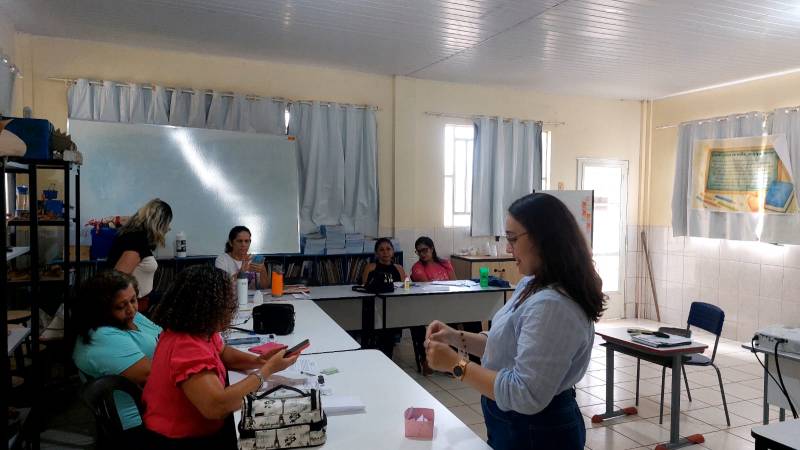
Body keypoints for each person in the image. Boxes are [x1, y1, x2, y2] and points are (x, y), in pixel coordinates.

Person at [424, 193, 606, 450]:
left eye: (513, 239)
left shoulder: (553, 306)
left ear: (543, 238)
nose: (509, 249)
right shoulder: (532, 283)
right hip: (515, 422)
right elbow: (505, 343)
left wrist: (456, 365)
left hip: (538, 430)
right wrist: (454, 337)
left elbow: (525, 394)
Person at [142, 265, 298, 449]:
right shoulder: (185, 346)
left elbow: (223, 353)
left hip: (200, 429)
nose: (231, 309)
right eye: (226, 303)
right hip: (180, 440)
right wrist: (266, 370)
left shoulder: (200, 329)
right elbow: (216, 407)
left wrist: (258, 361)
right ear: (206, 307)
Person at [72, 270, 162, 445]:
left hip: (155, 403)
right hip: (137, 421)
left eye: (133, 300)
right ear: (101, 310)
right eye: (121, 306)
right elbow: (151, 375)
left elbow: (163, 334)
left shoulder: (131, 317)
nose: (131, 309)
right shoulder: (102, 337)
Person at [107, 198, 173, 313]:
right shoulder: (135, 241)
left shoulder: (137, 238)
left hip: (141, 302)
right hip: (132, 308)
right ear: (159, 223)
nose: (168, 228)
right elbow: (117, 281)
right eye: (167, 223)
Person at [408, 236, 457, 375]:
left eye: (425, 250)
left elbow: (455, 282)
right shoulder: (417, 268)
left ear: (432, 248)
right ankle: (430, 360)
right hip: (429, 305)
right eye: (418, 251)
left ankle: (470, 361)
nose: (422, 254)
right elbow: (429, 288)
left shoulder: (445, 263)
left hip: (448, 303)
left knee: (471, 317)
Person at [361, 238, 406, 358]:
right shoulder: (371, 267)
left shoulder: (399, 268)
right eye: (381, 250)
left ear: (393, 251)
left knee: (389, 328)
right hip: (374, 308)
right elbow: (365, 288)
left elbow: (403, 288)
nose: (385, 252)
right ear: (376, 253)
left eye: (388, 249)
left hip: (394, 308)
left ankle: (387, 355)